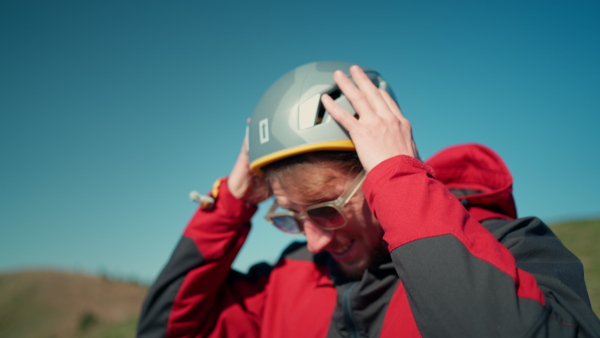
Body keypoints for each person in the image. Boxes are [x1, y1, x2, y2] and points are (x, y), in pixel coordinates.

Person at [137, 61, 600, 337]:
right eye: (293, 218)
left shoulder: (510, 249)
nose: (314, 242)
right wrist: (231, 202)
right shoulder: (287, 278)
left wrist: (400, 178)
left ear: (380, 172)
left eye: (325, 210)